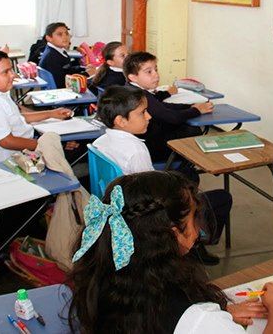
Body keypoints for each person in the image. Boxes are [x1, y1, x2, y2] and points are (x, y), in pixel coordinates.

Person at [67, 172, 273, 334]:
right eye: (194, 219)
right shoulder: (187, 311)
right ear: (174, 235)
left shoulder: (105, 273)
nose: (199, 228)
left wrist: (219, 313)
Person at [92, 85, 232, 264]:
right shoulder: (135, 150)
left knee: (188, 174)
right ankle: (193, 245)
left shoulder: (100, 142)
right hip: (145, 216)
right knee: (222, 198)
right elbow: (154, 194)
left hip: (120, 205)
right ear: (121, 120)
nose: (149, 116)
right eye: (142, 113)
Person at [0, 49, 72, 163]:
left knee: (66, 140)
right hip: (13, 160)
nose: (13, 75)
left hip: (22, 147)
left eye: (11, 70)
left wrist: (51, 114)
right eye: (5, 72)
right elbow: (7, 142)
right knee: (74, 147)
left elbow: (15, 118)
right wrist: (50, 145)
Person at [122, 52, 213, 162]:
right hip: (151, 149)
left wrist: (189, 106)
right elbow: (172, 117)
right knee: (191, 130)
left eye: (156, 70)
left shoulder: (130, 89)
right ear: (133, 77)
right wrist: (197, 110)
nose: (156, 75)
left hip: (143, 141)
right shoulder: (140, 95)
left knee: (184, 126)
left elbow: (161, 106)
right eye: (149, 72)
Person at [37, 22, 95, 89]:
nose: (65, 37)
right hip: (61, 91)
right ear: (49, 38)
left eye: (66, 33)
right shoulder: (51, 57)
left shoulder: (58, 50)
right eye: (59, 34)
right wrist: (86, 74)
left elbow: (67, 69)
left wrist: (83, 68)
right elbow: (61, 82)